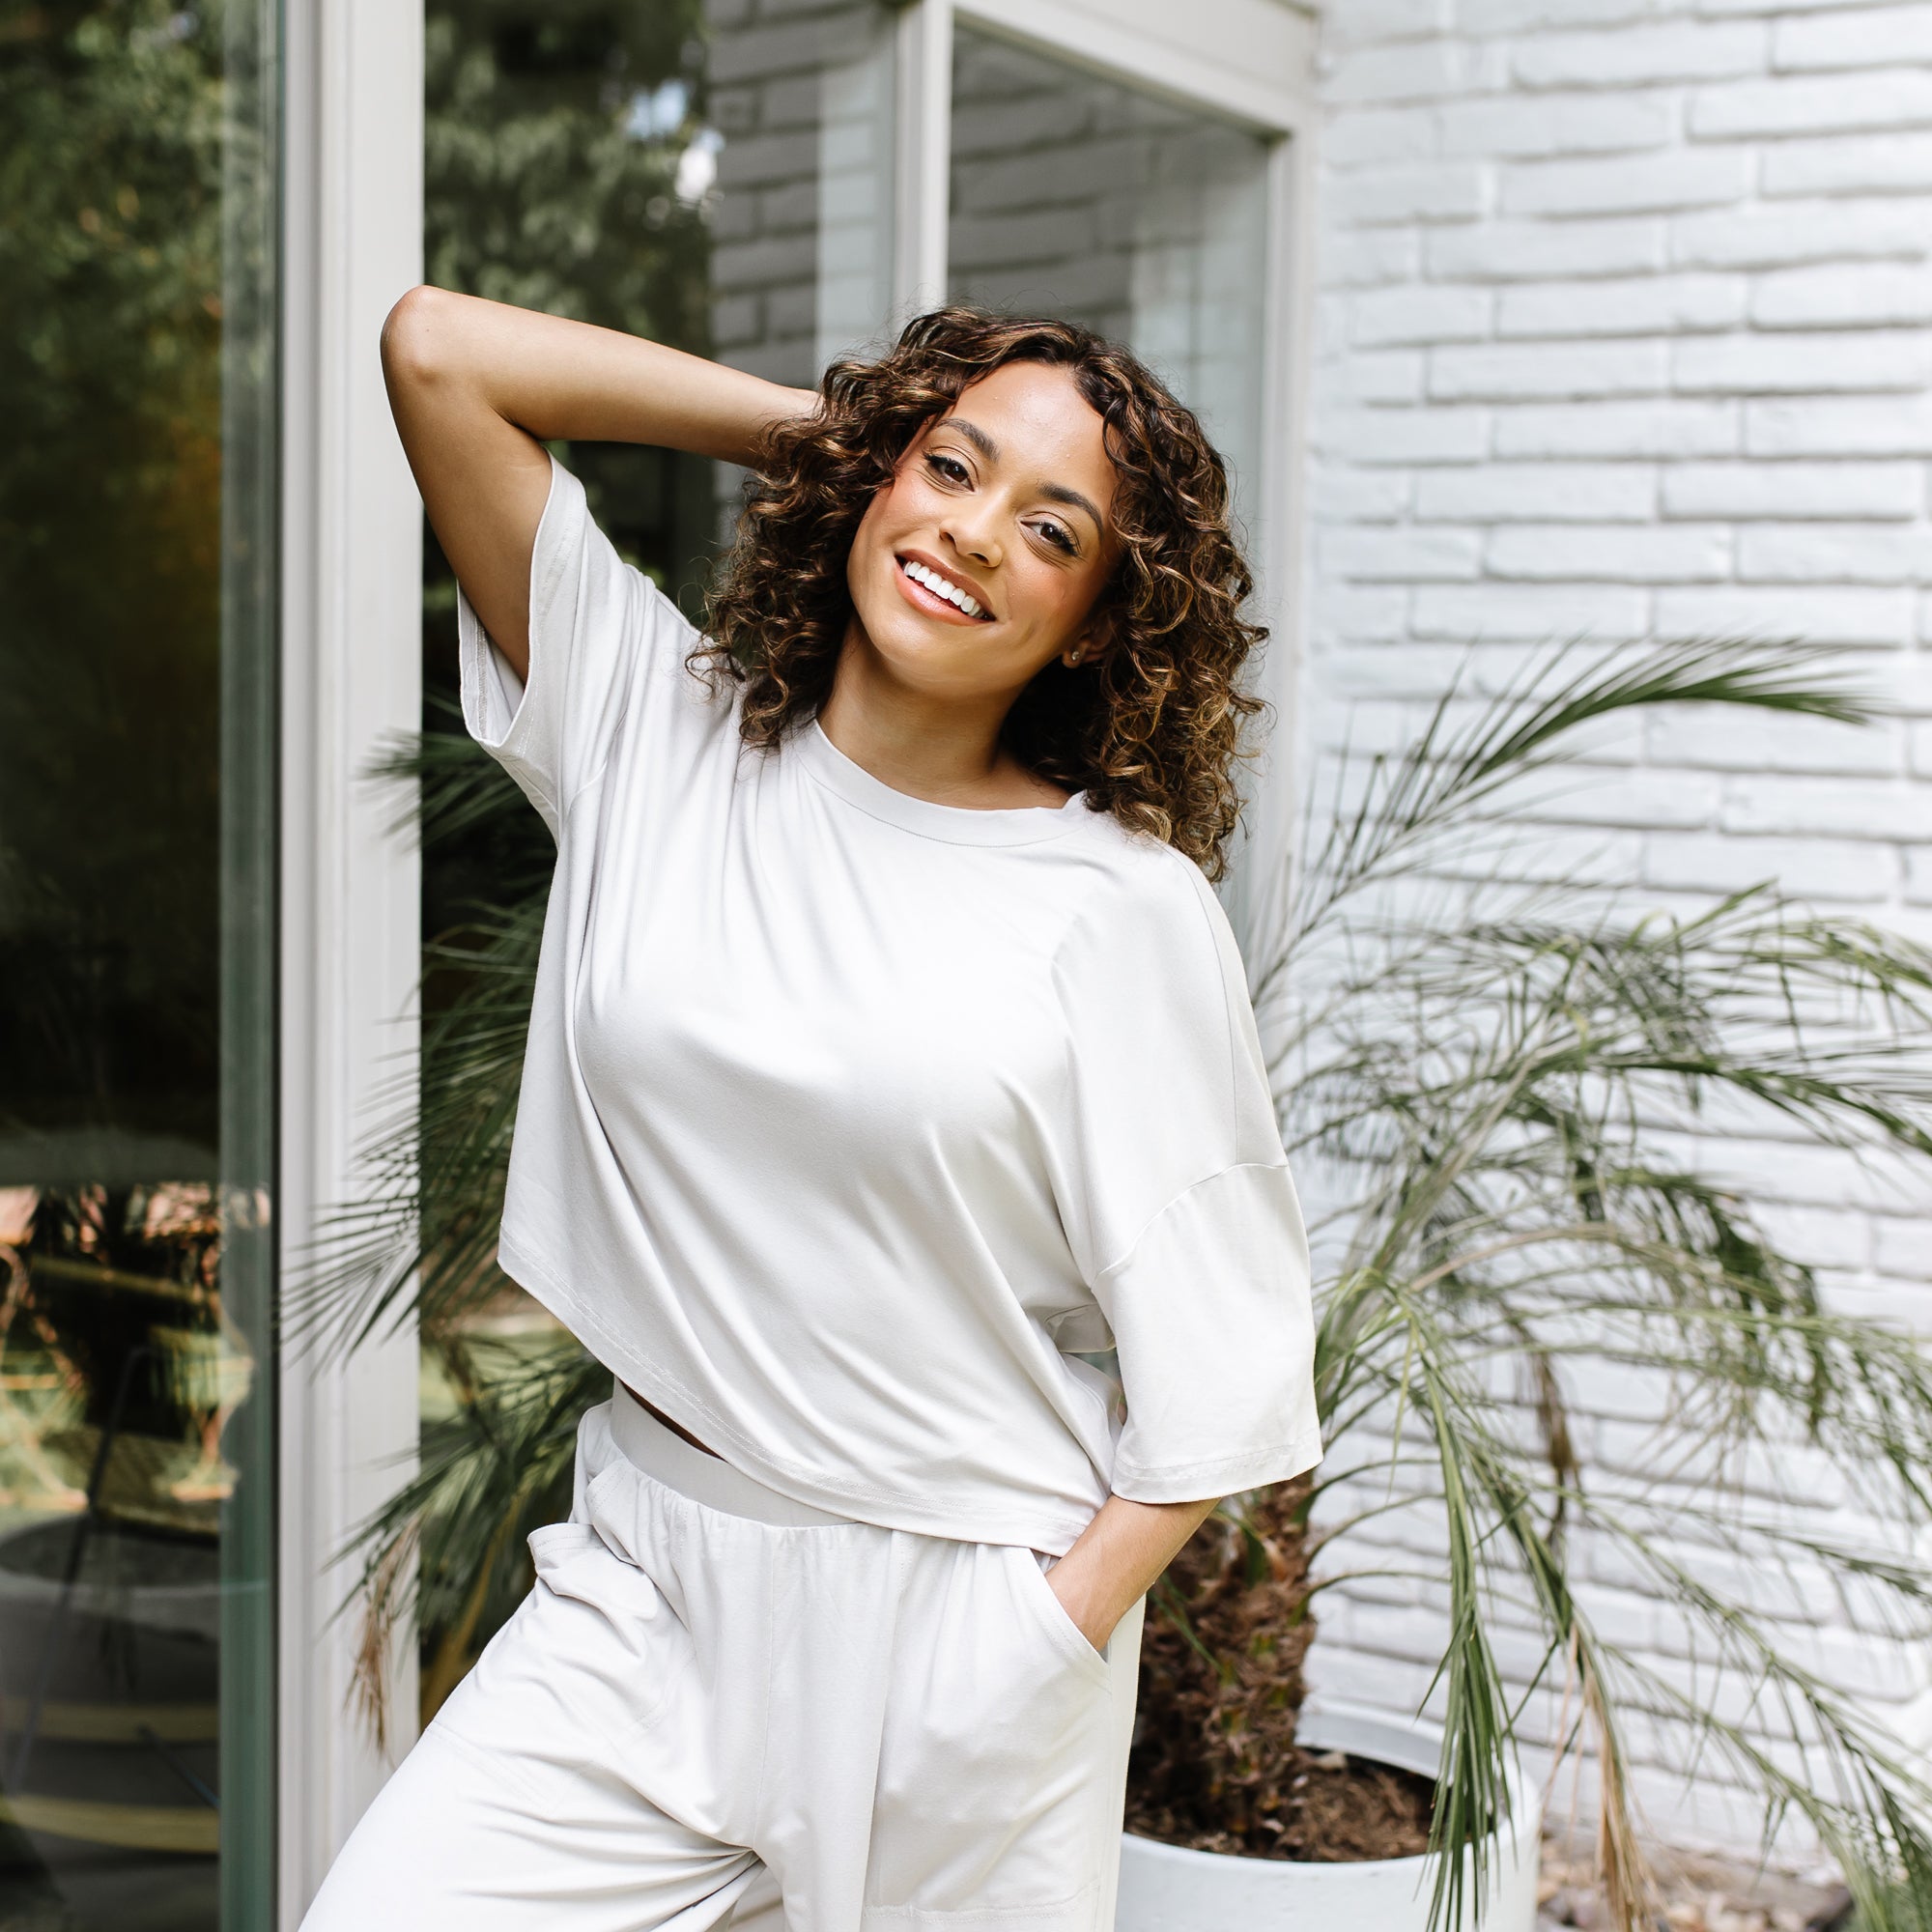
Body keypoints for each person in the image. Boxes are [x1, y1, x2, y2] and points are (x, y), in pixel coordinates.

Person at [300, 293, 1321, 1932]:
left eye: (1048, 530)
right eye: (953, 468)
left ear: (1096, 625)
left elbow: (1235, 1360)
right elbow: (440, 357)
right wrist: (854, 437)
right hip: (642, 1584)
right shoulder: (657, 729)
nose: (975, 534)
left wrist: (1034, 1648)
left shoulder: (1114, 908)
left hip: (955, 1624)